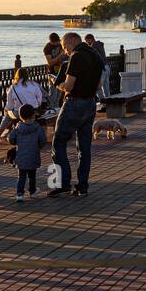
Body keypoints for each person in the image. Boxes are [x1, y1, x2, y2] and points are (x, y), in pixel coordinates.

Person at [50, 31, 104, 197]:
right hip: (90, 103)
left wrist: (57, 84)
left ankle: (62, 183)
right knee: (84, 148)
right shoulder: (95, 54)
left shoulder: (76, 56)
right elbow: (100, 82)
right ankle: (82, 186)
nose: (65, 51)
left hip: (74, 103)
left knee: (58, 142)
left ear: (73, 41)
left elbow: (69, 86)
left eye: (65, 47)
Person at [7, 103, 47, 201]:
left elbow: (11, 139)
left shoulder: (18, 128)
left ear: (20, 116)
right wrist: (38, 147)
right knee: (32, 176)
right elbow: (43, 140)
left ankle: (19, 194)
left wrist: (17, 142)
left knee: (21, 177)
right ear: (33, 115)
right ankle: (32, 191)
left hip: (21, 157)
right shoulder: (37, 128)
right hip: (33, 156)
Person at [2, 65, 45, 138]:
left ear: (17, 75)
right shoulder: (34, 84)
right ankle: (8, 130)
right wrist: (36, 105)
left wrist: (7, 109)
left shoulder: (13, 87)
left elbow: (10, 105)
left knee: (7, 112)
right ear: (27, 75)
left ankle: (2, 133)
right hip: (34, 111)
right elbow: (39, 98)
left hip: (20, 113)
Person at [43, 33, 67, 110]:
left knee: (60, 93)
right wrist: (60, 56)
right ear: (51, 41)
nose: (58, 43)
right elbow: (50, 62)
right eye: (56, 42)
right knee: (53, 93)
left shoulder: (61, 44)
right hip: (52, 73)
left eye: (58, 42)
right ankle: (51, 109)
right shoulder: (47, 48)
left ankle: (56, 109)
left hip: (62, 71)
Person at [85, 33, 110, 99]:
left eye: (87, 41)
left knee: (97, 87)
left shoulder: (93, 45)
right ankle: (109, 103)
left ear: (90, 39)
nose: (87, 43)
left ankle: (102, 102)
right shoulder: (100, 44)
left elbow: (89, 54)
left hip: (101, 69)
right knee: (106, 88)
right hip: (107, 67)